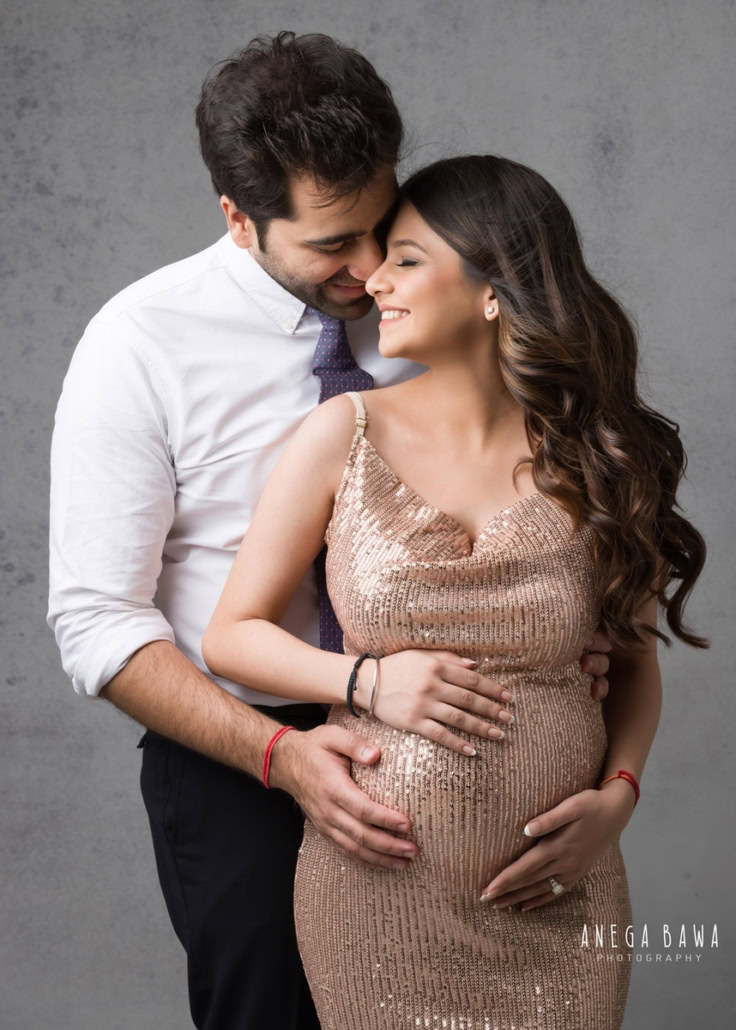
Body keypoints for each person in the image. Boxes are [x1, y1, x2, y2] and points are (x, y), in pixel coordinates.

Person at [47, 33, 614, 1030]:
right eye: (330, 244)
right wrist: (282, 750)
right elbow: (98, 622)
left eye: (380, 228)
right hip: (242, 750)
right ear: (238, 217)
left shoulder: (430, 303)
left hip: (462, 752)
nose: (365, 270)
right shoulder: (139, 343)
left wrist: (565, 635)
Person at [201, 153, 708, 1029]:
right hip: (375, 901)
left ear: (492, 291)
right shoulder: (343, 432)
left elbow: (631, 664)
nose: (374, 281)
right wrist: (365, 680)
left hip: (559, 898)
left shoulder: (598, 456)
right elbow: (231, 634)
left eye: (405, 259)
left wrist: (620, 798)